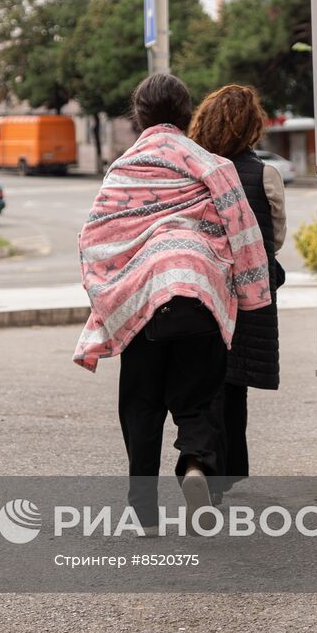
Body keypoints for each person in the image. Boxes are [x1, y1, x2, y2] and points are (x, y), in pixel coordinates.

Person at [75, 73, 271, 529]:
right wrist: (251, 296)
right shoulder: (211, 163)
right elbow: (243, 231)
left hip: (144, 299)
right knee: (200, 399)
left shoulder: (123, 168)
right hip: (200, 294)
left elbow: (96, 236)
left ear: (138, 115)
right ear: (187, 115)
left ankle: (144, 506)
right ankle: (196, 466)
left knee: (141, 403)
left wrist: (108, 292)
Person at [188, 85, 287, 496]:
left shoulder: (191, 170)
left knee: (201, 380)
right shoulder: (266, 174)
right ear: (252, 127)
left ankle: (200, 464)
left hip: (199, 289)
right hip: (248, 295)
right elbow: (275, 238)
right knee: (234, 383)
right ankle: (223, 476)